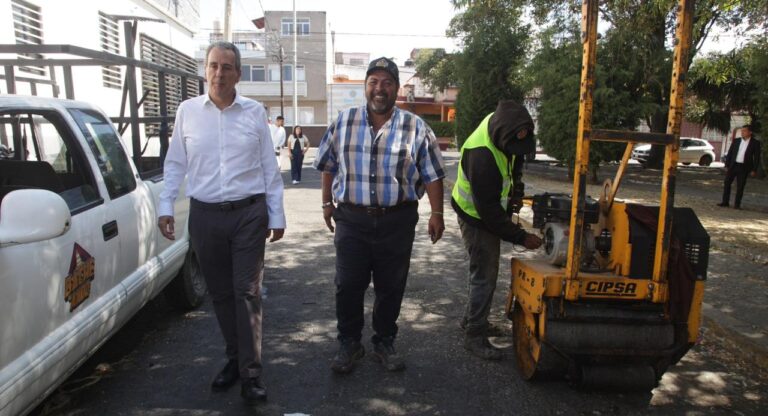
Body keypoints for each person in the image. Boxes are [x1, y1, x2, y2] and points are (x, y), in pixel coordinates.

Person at [157, 41, 285, 404]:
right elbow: (175, 164)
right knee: (221, 294)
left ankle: (251, 374)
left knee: (247, 292)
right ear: (205, 70)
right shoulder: (188, 112)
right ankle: (235, 357)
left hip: (248, 215)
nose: (219, 73)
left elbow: (268, 166)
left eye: (227, 67)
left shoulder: (254, 112)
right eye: (213, 65)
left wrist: (276, 214)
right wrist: (166, 205)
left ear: (238, 74)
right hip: (206, 216)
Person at [313, 57, 446, 374]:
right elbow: (328, 165)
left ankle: (384, 341)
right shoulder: (344, 122)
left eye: (387, 82)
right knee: (348, 284)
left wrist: (437, 213)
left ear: (396, 89)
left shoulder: (415, 127)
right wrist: (326, 204)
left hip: (397, 221)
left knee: (391, 286)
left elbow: (433, 174)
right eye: (373, 82)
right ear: (365, 86)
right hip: (352, 219)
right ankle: (349, 342)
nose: (379, 88)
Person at [452, 100, 543, 360]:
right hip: (476, 217)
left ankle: (472, 319)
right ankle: (474, 335)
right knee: (485, 275)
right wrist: (521, 236)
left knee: (483, 273)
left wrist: (517, 190)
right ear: (504, 135)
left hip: (487, 212)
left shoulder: (505, 125)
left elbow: (515, 160)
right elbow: (489, 213)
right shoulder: (481, 155)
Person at [718, 124, 762, 209]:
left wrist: (754, 170)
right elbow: (730, 153)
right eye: (742, 131)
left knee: (740, 186)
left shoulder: (755, 143)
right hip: (733, 165)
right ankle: (725, 202)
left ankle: (737, 204)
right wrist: (727, 165)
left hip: (744, 167)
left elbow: (757, 157)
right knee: (727, 183)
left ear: (750, 132)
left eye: (744, 131)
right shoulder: (737, 141)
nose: (742, 132)